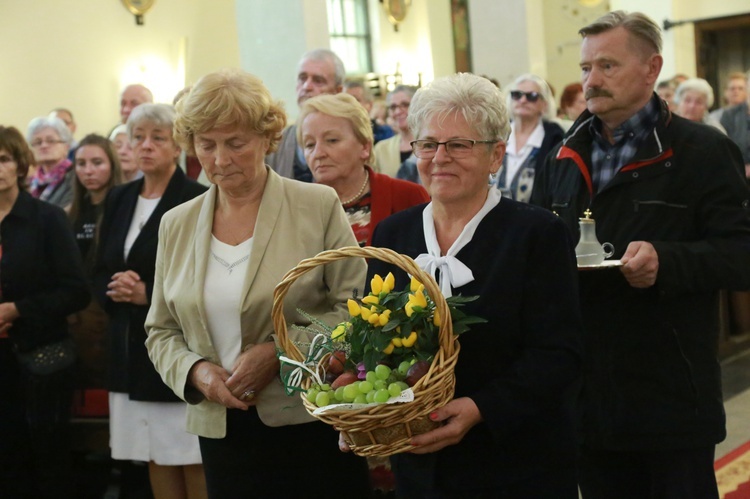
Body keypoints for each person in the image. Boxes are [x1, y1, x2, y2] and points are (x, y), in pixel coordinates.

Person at [530, 11, 750, 498]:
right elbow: (539, 252)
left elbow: (740, 253)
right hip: (589, 394)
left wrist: (666, 261)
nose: (591, 80)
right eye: (586, 68)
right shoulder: (562, 158)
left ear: (652, 69)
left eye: (607, 66)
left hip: (670, 393)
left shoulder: (703, 152)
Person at [144, 68, 371, 498]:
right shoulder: (176, 223)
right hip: (222, 429)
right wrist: (195, 372)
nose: (219, 159)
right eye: (206, 145)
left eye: (235, 143)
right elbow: (161, 331)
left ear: (268, 138)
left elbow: (354, 310)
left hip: (311, 419)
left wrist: (281, 352)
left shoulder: (316, 204)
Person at [362, 72, 582, 497]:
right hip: (421, 465)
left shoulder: (537, 233)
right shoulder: (393, 234)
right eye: (427, 144)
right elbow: (374, 341)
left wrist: (481, 409)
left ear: (496, 155)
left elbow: (560, 354)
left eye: (459, 145)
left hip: (515, 460)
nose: (439, 157)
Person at [94, 103, 207, 499]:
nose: (145, 146)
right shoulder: (120, 197)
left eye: (157, 138)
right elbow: (99, 264)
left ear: (176, 145)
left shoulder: (195, 197)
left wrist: (147, 293)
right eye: (137, 137)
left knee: (186, 451)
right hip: (127, 344)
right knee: (152, 454)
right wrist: (114, 287)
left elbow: (200, 272)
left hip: (173, 345)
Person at [0, 125, 90, 498]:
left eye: (3, 159)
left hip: (38, 360)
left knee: (45, 460)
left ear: (21, 165)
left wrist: (17, 309)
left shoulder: (46, 218)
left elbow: (76, 291)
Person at [298, 93, 429, 246]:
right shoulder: (298, 208)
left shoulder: (408, 196)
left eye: (331, 140)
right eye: (309, 144)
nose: (318, 153)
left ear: (365, 147)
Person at [69, 134, 124, 391]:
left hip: (112, 305)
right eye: (81, 163)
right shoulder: (69, 213)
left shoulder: (126, 207)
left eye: (97, 162)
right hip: (76, 309)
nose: (88, 170)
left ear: (112, 165)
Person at [265, 48, 345, 182]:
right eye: (302, 78)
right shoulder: (277, 142)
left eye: (318, 80)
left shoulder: (348, 138)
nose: (307, 86)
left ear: (338, 91)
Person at [494, 74, 563, 202]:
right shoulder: (495, 133)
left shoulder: (555, 140)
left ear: (544, 104)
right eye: (517, 95)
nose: (523, 100)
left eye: (532, 96)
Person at [26, 115, 75, 209]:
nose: (44, 146)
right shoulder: (29, 182)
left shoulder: (74, 178)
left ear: (66, 147)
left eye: (51, 141)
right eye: (38, 142)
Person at [372, 85, 419, 180]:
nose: (398, 111)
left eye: (405, 105)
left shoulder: (431, 145)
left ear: (418, 106)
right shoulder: (381, 149)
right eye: (393, 107)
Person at [344, 80, 395, 144]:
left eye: (356, 100)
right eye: (345, 100)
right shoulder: (336, 135)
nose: (349, 105)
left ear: (369, 105)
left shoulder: (384, 134)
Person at [720, 71, 750, 178]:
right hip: (737, 173)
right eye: (732, 88)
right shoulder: (728, 115)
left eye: (740, 88)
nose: (736, 92)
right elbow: (724, 146)